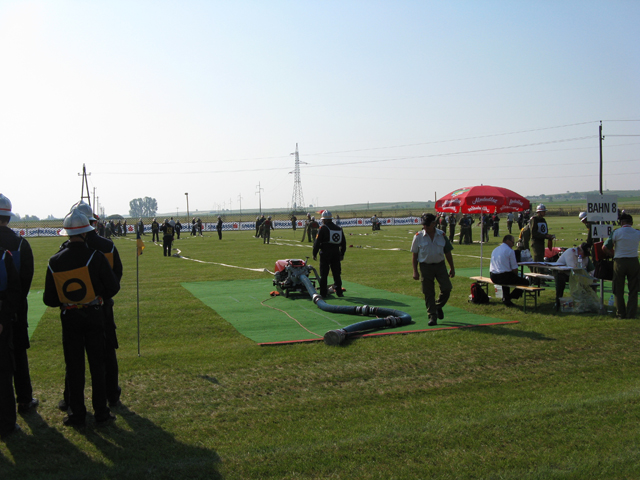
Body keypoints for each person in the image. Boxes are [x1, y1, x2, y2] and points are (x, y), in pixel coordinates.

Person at [44, 210, 119, 426]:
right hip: (94, 316)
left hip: (70, 319)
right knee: (97, 366)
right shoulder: (96, 257)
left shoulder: (55, 261)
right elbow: (113, 287)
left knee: (74, 367)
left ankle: (76, 414)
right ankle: (101, 412)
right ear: (86, 232)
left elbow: (49, 299)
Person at [58, 201, 124, 411]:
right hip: (103, 306)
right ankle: (111, 396)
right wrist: (102, 295)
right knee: (106, 354)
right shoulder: (107, 246)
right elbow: (117, 275)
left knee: (74, 359)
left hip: (74, 309)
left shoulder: (65, 248)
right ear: (93, 222)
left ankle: (71, 400)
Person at [0, 194, 38, 415]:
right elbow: (25, 279)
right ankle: (24, 399)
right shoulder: (21, 244)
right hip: (17, 308)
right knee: (19, 353)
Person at [411, 213, 455, 326]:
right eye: (423, 225)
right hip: (425, 266)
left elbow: (448, 252)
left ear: (434, 223)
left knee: (447, 288)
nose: (425, 227)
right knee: (428, 292)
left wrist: (452, 268)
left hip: (440, 266)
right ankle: (432, 316)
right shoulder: (418, 236)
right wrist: (415, 271)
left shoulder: (442, 235)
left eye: (427, 225)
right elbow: (414, 255)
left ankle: (437, 306)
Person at [0, 244, 21, 439]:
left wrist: (3, 319)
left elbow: (14, 289)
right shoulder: (4, 256)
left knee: (3, 373)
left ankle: (7, 422)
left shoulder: (4, 256)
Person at [602, 213, 640, 319]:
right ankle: (631, 313)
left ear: (621, 222)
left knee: (618, 289)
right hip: (633, 261)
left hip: (619, 261)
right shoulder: (637, 232)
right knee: (633, 289)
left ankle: (620, 313)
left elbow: (605, 247)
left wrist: (612, 254)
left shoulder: (617, 232)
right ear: (631, 223)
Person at [313, 210, 346, 298]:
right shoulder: (339, 228)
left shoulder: (323, 228)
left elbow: (317, 242)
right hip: (336, 253)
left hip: (325, 253)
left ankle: (323, 293)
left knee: (324, 274)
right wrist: (342, 253)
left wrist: (314, 253)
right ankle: (339, 292)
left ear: (324, 220)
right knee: (336, 274)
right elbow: (343, 243)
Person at [489, 235, 530, 307]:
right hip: (503, 276)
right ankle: (510, 297)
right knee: (525, 282)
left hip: (493, 276)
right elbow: (514, 268)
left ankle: (506, 298)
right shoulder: (510, 251)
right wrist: (516, 276)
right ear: (508, 241)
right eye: (512, 242)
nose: (513, 244)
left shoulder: (495, 249)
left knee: (507, 276)